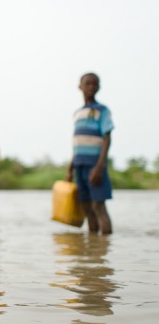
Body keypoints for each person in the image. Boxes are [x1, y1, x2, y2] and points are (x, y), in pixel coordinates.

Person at [65, 72, 113, 235]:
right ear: (80, 87)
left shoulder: (102, 110)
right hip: (79, 165)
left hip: (95, 165)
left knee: (98, 206)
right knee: (86, 207)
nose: (91, 87)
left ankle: (105, 247)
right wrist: (69, 169)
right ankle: (94, 250)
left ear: (99, 87)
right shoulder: (77, 113)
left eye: (94, 84)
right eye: (87, 84)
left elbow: (107, 138)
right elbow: (77, 143)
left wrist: (100, 167)